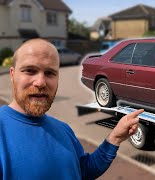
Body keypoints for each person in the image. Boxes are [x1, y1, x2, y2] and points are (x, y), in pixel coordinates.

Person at [0, 38, 144, 179]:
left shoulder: (63, 129)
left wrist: (115, 138)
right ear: (12, 75)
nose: (41, 82)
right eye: (30, 71)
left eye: (50, 73)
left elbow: (84, 171)